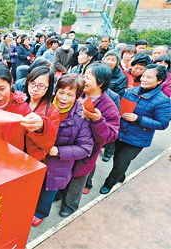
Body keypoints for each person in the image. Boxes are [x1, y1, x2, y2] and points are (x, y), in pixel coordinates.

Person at [59, 63, 120, 217]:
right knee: (63, 172)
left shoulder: (108, 105)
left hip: (86, 152)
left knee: (77, 180)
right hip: (68, 145)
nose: (83, 79)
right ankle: (59, 195)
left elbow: (110, 136)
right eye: (83, 75)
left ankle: (70, 206)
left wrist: (98, 120)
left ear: (100, 83)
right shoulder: (78, 93)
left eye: (87, 77)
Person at [32, 74, 93, 227]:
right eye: (61, 92)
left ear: (78, 96)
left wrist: (58, 151)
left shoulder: (80, 116)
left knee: (48, 192)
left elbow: (86, 148)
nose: (63, 98)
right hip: (36, 158)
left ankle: (40, 213)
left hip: (58, 164)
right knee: (33, 188)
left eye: (70, 94)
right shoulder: (43, 104)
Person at [100, 64, 170, 194]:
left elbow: (162, 124)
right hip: (121, 132)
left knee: (121, 162)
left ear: (159, 81)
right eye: (143, 76)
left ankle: (109, 184)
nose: (144, 79)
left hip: (137, 138)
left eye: (149, 77)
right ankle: (120, 175)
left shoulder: (164, 101)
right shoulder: (131, 91)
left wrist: (138, 119)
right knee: (117, 159)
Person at [24, 66, 60, 162]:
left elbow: (48, 144)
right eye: (32, 84)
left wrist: (41, 128)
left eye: (41, 86)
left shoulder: (52, 112)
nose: (35, 89)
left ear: (48, 88)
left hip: (32, 158)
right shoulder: (20, 101)